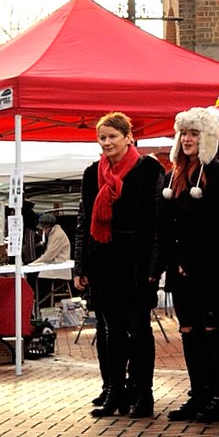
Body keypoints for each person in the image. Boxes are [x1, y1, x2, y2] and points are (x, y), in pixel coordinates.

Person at [73, 112, 165, 419]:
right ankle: (114, 390)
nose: (108, 142)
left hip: (136, 261)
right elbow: (84, 222)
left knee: (138, 329)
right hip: (103, 259)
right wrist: (80, 267)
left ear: (129, 137)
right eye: (103, 137)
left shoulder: (148, 169)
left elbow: (156, 222)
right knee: (110, 330)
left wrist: (154, 267)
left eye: (113, 136)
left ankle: (144, 393)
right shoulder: (91, 173)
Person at [158, 106, 219, 422]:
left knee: (212, 330)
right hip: (179, 269)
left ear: (207, 138)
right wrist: (170, 262)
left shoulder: (217, 173)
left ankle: (218, 396)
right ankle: (198, 393)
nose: (187, 139)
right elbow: (164, 223)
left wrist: (194, 260)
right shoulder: (172, 175)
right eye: (184, 133)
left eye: (194, 133)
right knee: (189, 331)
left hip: (207, 268)